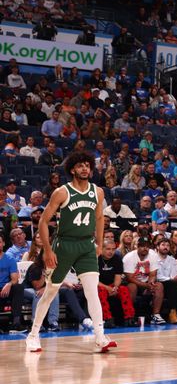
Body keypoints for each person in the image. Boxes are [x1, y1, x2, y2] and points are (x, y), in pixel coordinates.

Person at [26, 151, 116, 353]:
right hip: (64, 245)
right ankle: (33, 335)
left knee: (93, 292)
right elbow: (42, 221)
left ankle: (100, 337)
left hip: (86, 245)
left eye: (87, 165)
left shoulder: (98, 192)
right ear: (73, 169)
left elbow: (100, 218)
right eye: (80, 165)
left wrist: (100, 244)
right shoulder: (62, 192)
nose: (84, 168)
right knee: (50, 291)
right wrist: (48, 250)